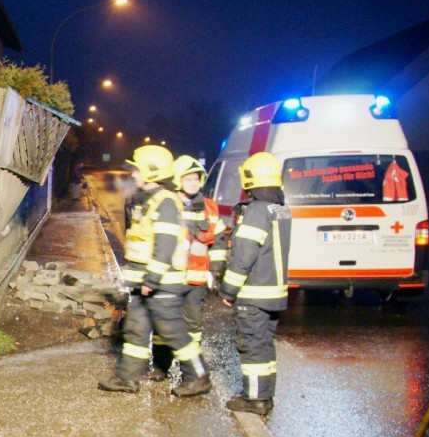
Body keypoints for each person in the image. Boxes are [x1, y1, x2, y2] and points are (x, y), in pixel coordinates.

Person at [99, 145, 210, 397]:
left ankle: (199, 376)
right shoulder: (147, 199)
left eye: (137, 169)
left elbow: (166, 244)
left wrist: (152, 279)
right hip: (144, 283)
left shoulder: (166, 202)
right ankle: (128, 378)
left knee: (172, 331)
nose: (134, 174)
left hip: (161, 283)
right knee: (136, 329)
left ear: (151, 171)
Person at [219, 152, 291, 414]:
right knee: (264, 345)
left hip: (254, 293)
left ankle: (255, 400)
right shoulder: (280, 209)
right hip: (274, 293)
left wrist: (228, 289)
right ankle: (265, 396)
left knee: (252, 346)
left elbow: (244, 255)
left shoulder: (257, 211)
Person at [150, 155, 227, 380]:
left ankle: (190, 374)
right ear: (177, 180)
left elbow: (219, 239)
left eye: (197, 179)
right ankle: (160, 367)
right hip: (169, 278)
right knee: (164, 325)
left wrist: (216, 270)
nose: (194, 183)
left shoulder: (209, 208)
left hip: (196, 280)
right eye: (189, 179)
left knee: (193, 329)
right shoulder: (166, 203)